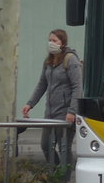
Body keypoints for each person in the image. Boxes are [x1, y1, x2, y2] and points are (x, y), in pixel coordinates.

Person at [20, 29, 81, 166]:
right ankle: (54, 176)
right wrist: (30, 104)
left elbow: (78, 87)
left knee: (64, 148)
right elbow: (42, 84)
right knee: (46, 145)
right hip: (50, 112)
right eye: (50, 40)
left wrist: (72, 111)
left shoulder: (70, 60)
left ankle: (63, 182)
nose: (51, 43)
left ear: (62, 42)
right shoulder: (48, 61)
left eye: (54, 41)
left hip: (65, 113)